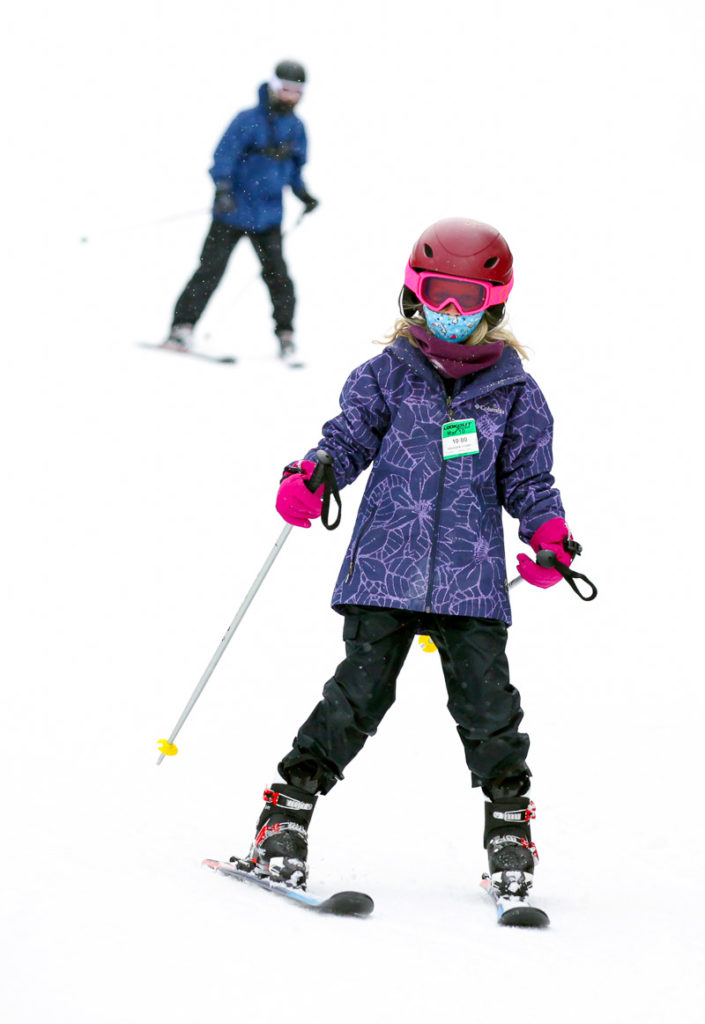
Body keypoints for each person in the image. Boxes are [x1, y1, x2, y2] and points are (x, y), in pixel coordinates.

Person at [235, 217, 581, 904]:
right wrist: (315, 473)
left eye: (466, 298)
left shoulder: (515, 394)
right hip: (384, 569)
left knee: (488, 709)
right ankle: (286, 814)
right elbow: (347, 437)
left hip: (470, 579)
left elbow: (528, 480)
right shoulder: (386, 375)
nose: (450, 314)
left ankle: (509, 828)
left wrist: (549, 533)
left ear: (495, 303)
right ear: (411, 296)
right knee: (357, 696)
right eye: (437, 296)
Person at [167, 60, 319, 363]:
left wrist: (302, 193)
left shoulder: (297, 128)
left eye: (296, 91)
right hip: (232, 212)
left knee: (279, 278)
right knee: (210, 270)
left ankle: (286, 337)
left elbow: (294, 168)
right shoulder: (247, 119)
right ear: (273, 86)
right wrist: (222, 189)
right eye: (284, 89)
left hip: (269, 218)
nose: (290, 96)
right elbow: (223, 157)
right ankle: (181, 329)